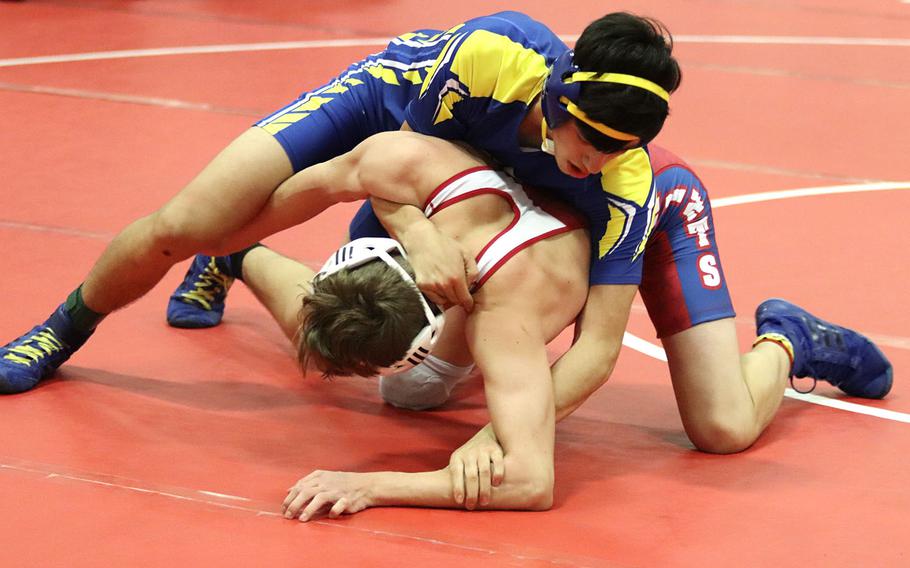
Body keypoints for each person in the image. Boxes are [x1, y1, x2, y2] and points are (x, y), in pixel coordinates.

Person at [1, 9, 891, 461]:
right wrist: (412, 235)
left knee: (724, 430)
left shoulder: (627, 177)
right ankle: (69, 324)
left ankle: (791, 338)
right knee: (186, 221)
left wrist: (508, 434)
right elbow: (398, 160)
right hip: (393, 110)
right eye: (589, 139)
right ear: (560, 99)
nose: (598, 159)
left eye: (625, 149)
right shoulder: (495, 55)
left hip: (522, 211)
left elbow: (598, 348)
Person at [203, 131, 591, 518]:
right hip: (503, 206)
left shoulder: (503, 320)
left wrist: (368, 486)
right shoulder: (416, 166)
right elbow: (369, 173)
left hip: (575, 219)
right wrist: (411, 224)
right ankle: (234, 254)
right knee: (331, 330)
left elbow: (530, 482)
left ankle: (238, 256)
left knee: (411, 390)